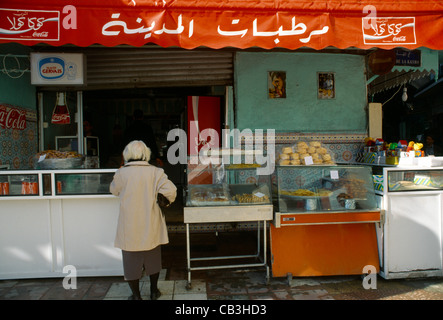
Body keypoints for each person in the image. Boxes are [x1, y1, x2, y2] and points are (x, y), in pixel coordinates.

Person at [110, 140, 177, 300]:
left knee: (130, 261)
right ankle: (154, 292)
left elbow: (114, 190)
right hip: (150, 221)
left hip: (129, 224)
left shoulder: (122, 173)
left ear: (127, 155)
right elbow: (171, 190)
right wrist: (163, 200)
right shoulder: (155, 172)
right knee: (153, 258)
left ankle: (136, 296)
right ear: (146, 154)